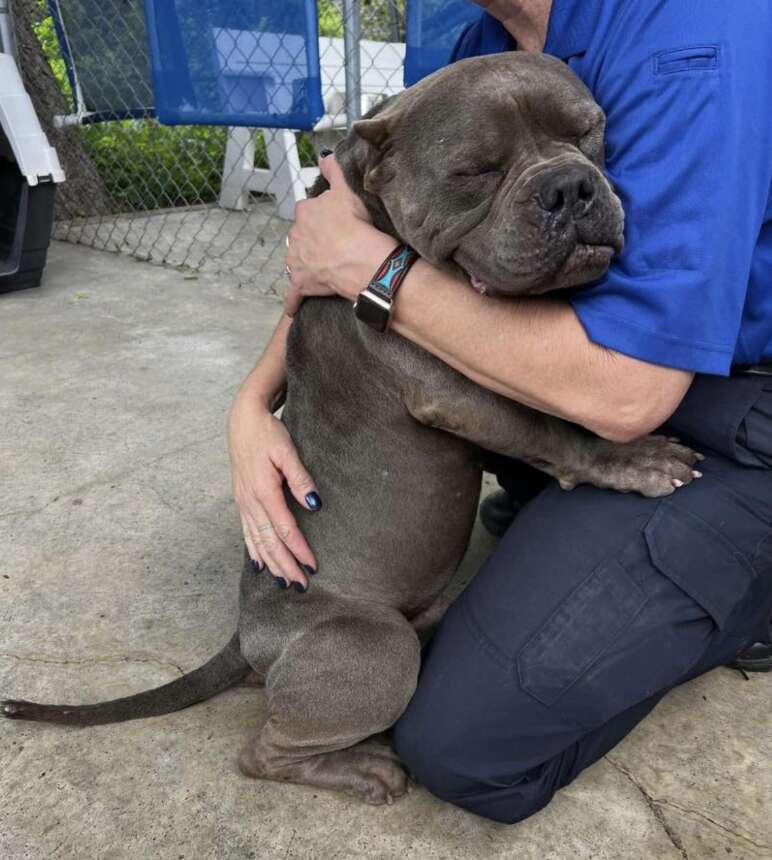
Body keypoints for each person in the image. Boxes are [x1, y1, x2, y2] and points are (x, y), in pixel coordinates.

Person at [227, 0, 772, 823]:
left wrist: (380, 276)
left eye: (582, 138)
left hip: (718, 399)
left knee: (464, 748)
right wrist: (253, 402)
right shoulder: (483, 44)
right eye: (479, 173)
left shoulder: (700, 25)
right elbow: (337, 238)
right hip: (575, 373)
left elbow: (628, 399)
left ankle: (745, 600)